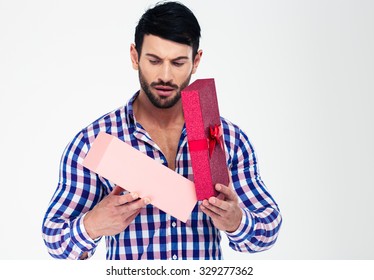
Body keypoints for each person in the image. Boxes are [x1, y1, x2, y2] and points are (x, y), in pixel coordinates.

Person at [42, 1, 282, 260]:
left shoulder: (227, 138)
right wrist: (92, 225)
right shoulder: (94, 141)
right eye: (154, 60)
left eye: (178, 63)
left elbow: (267, 229)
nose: (165, 75)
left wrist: (237, 222)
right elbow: (55, 240)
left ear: (196, 60)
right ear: (135, 57)